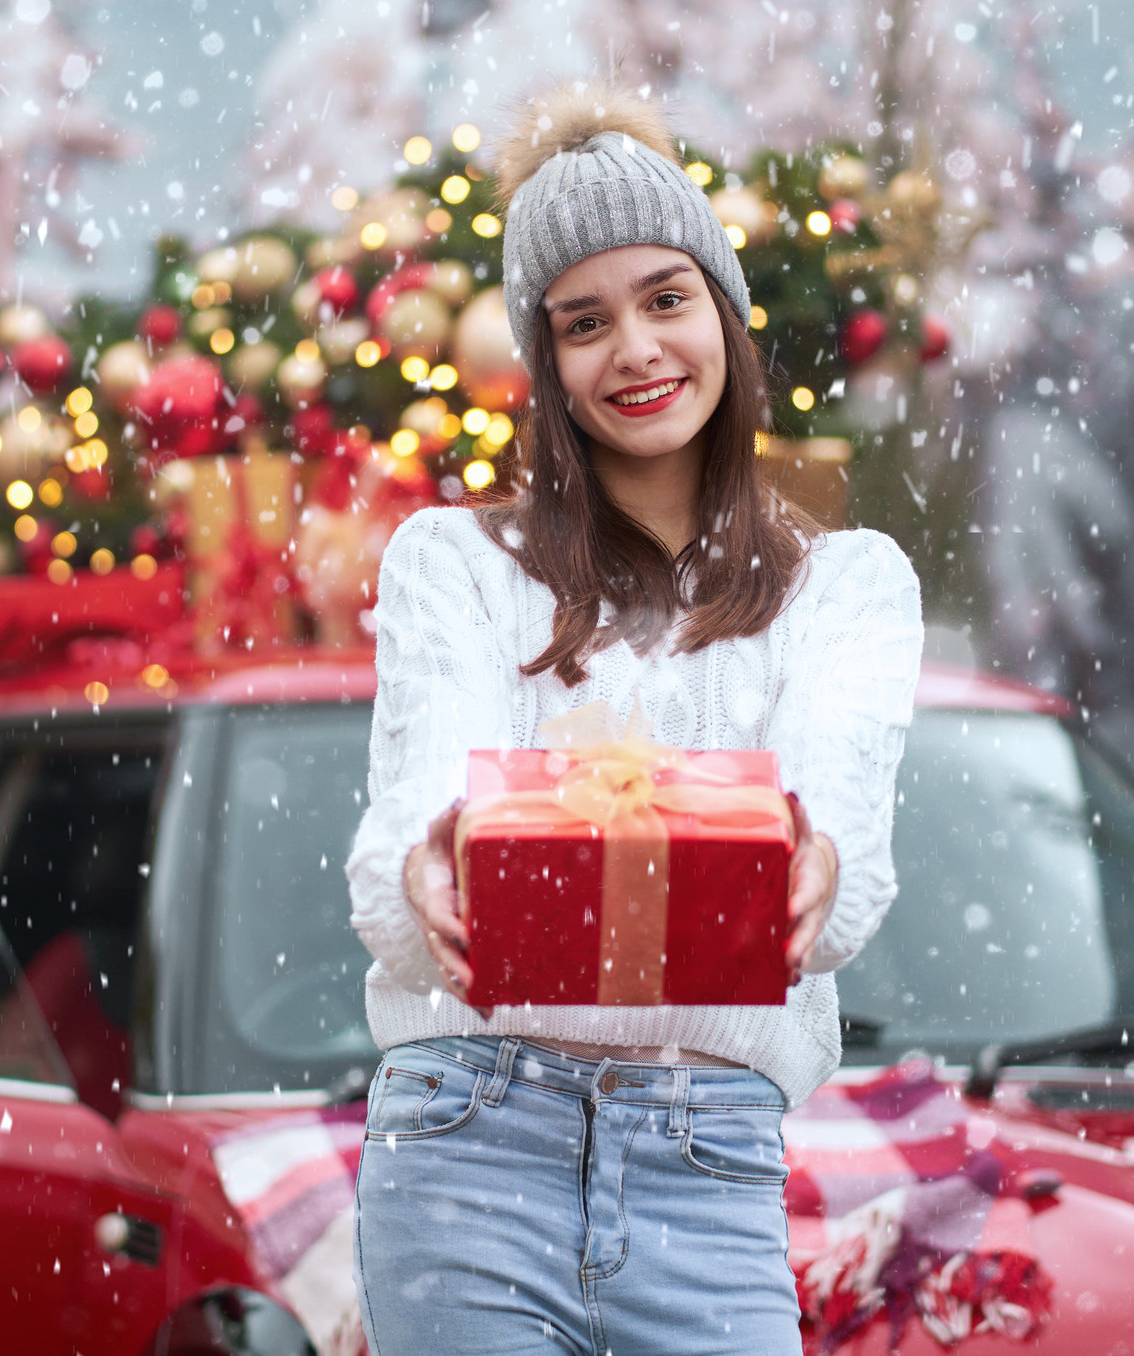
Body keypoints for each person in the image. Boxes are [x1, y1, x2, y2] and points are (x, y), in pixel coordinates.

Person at [345, 83, 923, 1355]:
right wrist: (428, 869)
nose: (638, 350)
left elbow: (839, 880)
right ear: (543, 363)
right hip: (467, 1136)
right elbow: (401, 864)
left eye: (668, 299)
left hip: (707, 1164)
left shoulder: (848, 587)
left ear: (722, 310)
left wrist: (813, 861)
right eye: (584, 322)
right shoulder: (454, 562)